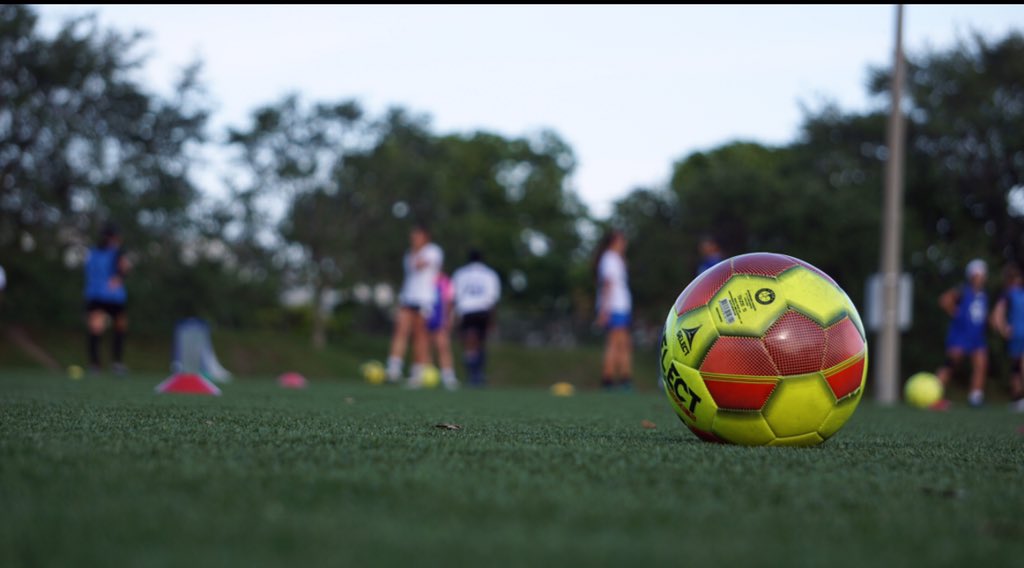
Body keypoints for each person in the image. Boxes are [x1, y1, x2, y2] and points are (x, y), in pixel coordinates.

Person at [387, 224, 443, 388]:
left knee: (420, 336)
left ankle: (417, 372)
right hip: (408, 297)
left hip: (425, 299)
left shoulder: (433, 251)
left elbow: (421, 265)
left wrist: (417, 250)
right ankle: (394, 369)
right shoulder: (409, 253)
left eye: (417, 236)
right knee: (401, 330)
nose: (414, 239)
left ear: (425, 237)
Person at [935, 258, 989, 408]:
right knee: (951, 365)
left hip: (977, 337)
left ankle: (975, 397)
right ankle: (934, 393)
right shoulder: (962, 290)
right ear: (971, 276)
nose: (980, 278)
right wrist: (955, 312)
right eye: (977, 275)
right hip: (960, 335)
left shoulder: (984, 295)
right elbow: (944, 300)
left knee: (981, 364)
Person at [84, 223, 131, 375]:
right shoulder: (116, 252)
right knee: (110, 328)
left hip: (98, 295)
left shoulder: (92, 252)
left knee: (98, 329)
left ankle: (96, 365)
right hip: (110, 296)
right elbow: (125, 267)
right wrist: (119, 277)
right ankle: (112, 363)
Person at [451, 249, 501, 387]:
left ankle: (473, 373)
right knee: (480, 343)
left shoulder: (460, 273)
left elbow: (454, 297)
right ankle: (478, 373)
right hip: (483, 310)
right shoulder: (490, 274)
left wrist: (453, 317)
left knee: (468, 343)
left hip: (466, 310)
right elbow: (493, 299)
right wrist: (493, 321)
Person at [594, 230, 633, 391]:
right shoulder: (609, 258)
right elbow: (607, 284)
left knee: (622, 343)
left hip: (621, 306)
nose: (624, 244)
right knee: (615, 343)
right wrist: (604, 310)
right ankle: (609, 379)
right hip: (614, 306)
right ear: (614, 241)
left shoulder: (617, 259)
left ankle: (623, 378)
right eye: (621, 240)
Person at [988, 263, 1024, 412]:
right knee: (1018, 366)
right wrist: (1004, 329)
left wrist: (1003, 329)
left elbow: (996, 315)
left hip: (1016, 334)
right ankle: (1019, 400)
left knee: (1016, 367)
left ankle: (1018, 399)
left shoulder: (1009, 294)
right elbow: (997, 314)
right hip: (1018, 333)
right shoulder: (1011, 294)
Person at [426, 271, 459, 390]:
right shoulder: (425, 278)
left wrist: (448, 318)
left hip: (439, 317)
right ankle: (424, 373)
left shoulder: (445, 281)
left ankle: (448, 376)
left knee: (443, 346)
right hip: (425, 315)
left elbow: (449, 302)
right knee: (425, 347)